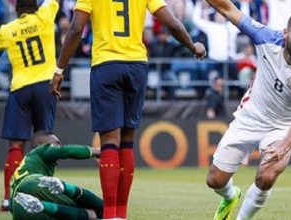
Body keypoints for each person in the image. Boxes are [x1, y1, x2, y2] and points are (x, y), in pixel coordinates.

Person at [49, 0, 206, 219]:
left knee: (109, 141)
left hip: (107, 65)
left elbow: (76, 29)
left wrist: (59, 70)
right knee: (127, 140)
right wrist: (193, 46)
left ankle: (111, 214)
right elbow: (172, 24)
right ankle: (121, 214)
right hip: (136, 66)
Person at [201, 0, 291, 219]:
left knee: (266, 176)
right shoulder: (266, 37)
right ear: (285, 33)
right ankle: (230, 196)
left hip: (282, 126)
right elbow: (229, 9)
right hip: (250, 117)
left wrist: (285, 145)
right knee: (215, 180)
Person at [0, 0, 59, 211]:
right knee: (45, 143)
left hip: (20, 89)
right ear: (35, 7)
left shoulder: (6, 30)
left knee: (15, 146)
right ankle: (43, 196)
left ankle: (9, 199)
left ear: (17, 9)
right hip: (45, 87)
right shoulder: (45, 16)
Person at [10, 131, 103, 220]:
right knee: (90, 206)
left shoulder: (28, 163)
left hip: (19, 208)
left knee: (63, 215)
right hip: (32, 184)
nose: (59, 147)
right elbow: (66, 151)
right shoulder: (41, 150)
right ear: (42, 145)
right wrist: (98, 151)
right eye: (56, 144)